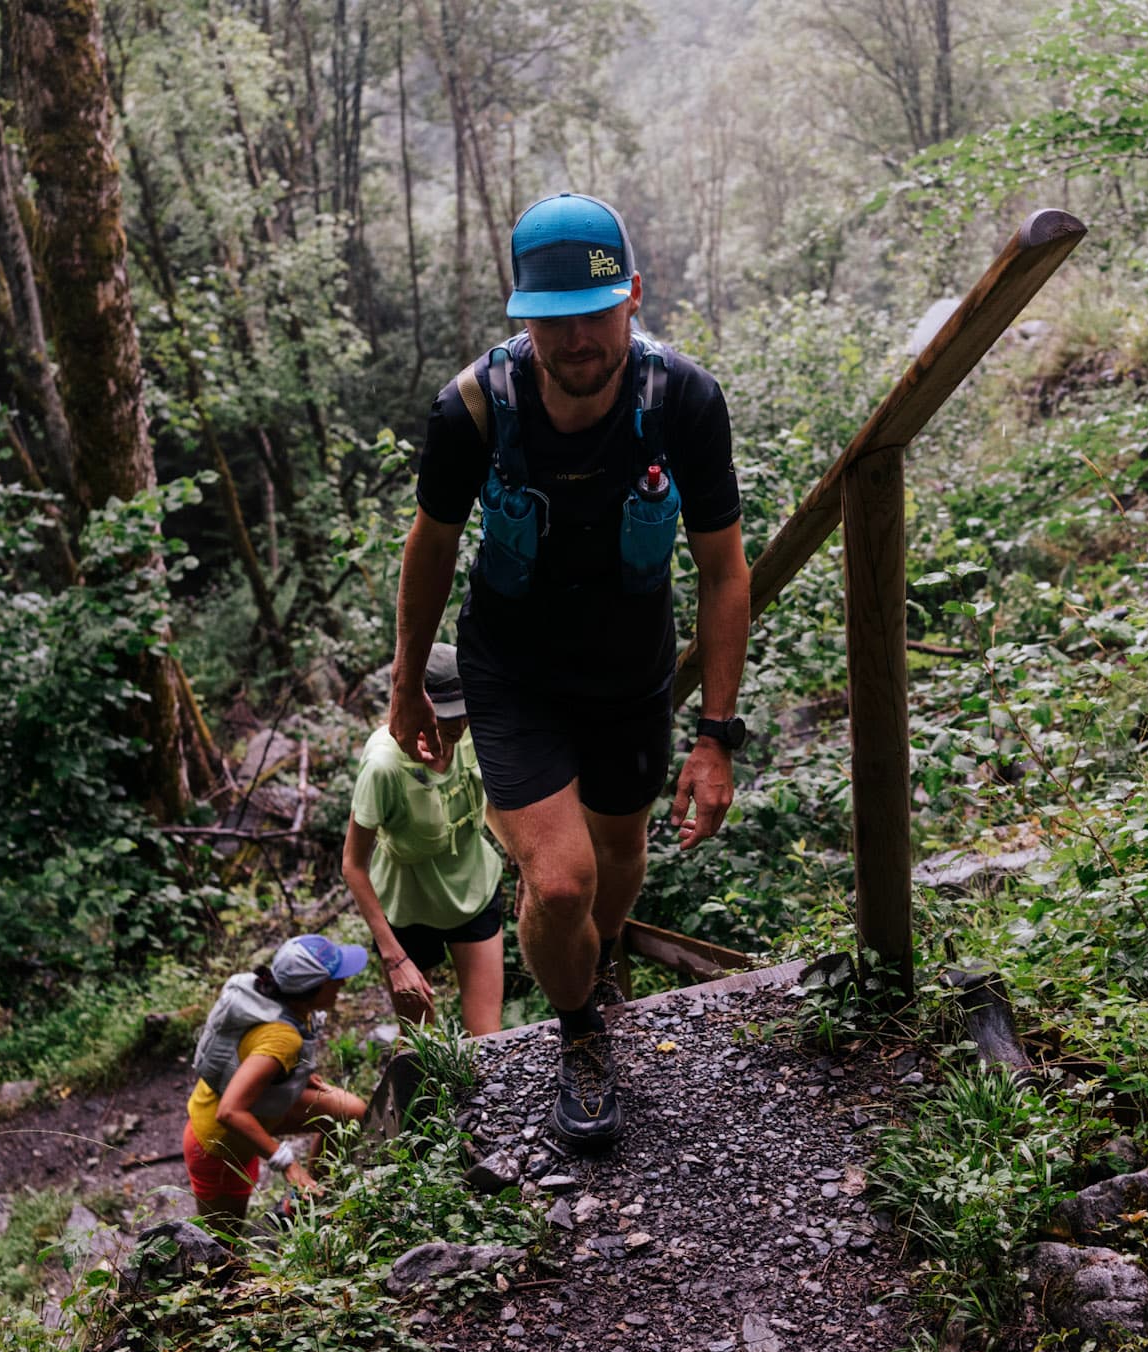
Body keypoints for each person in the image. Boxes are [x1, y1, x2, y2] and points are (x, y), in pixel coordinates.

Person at [388, 191, 751, 1150]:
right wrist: (406, 680)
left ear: (633, 296)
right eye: (553, 318)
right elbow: (429, 546)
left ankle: (594, 968)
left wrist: (715, 736)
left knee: (616, 870)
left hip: (631, 676)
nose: (579, 336)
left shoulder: (683, 402)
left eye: (596, 310)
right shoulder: (473, 410)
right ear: (522, 319)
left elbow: (723, 571)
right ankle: (580, 1031)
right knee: (558, 884)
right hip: (514, 674)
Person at [343, 642, 506, 1036]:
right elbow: (353, 865)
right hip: (406, 910)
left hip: (474, 893)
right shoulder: (384, 766)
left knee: (489, 1039)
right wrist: (394, 958)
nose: (458, 726)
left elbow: (487, 802)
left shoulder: (473, 734)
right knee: (421, 1042)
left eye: (463, 712)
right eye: (446, 716)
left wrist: (522, 858)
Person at [180, 934, 369, 1234]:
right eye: (336, 980)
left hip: (258, 1107)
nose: (343, 985)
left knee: (348, 1111)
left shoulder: (278, 1000)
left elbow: (250, 1050)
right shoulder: (282, 1039)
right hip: (220, 1143)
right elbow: (229, 1110)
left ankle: (306, 1206)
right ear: (312, 989)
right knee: (220, 1248)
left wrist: (299, 1075)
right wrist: (288, 1164)